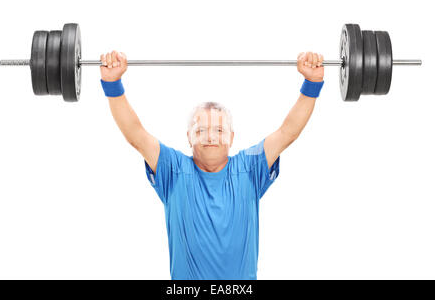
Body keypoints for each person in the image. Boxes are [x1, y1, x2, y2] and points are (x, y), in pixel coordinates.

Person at [99, 51, 324, 279]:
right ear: (189, 137)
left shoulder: (249, 168)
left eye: (218, 130)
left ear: (232, 137)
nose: (210, 137)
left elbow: (288, 132)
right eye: (201, 131)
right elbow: (136, 135)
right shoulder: (173, 170)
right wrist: (112, 83)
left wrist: (312, 83)